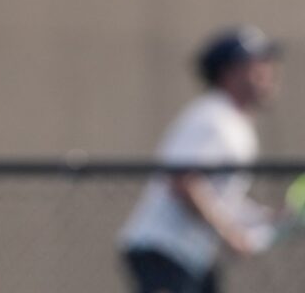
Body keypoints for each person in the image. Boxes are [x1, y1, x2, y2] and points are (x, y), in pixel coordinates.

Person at [119, 25, 285, 293]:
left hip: (192, 259)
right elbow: (183, 182)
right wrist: (228, 234)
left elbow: (218, 197)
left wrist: (264, 217)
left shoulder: (234, 124)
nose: (268, 71)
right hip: (164, 253)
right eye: (257, 63)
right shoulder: (213, 118)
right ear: (228, 73)